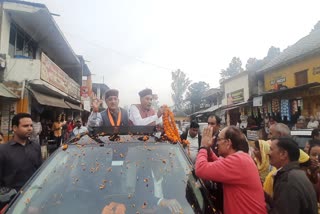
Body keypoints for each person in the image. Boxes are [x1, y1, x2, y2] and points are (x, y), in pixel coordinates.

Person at [195, 126, 266, 214]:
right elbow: (219, 164)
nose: (216, 143)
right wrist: (208, 151)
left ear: (228, 143)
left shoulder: (238, 160)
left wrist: (203, 147)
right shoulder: (240, 158)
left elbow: (200, 169)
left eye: (219, 139)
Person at [268, 137, 317, 214]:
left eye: (271, 149)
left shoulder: (287, 180)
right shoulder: (296, 173)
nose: (268, 153)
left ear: (283, 154)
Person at [0, 113, 42, 192]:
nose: (30, 129)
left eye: (31, 125)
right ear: (15, 128)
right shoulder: (3, 150)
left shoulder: (36, 147)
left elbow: (40, 172)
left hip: (33, 194)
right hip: (12, 200)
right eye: (25, 126)